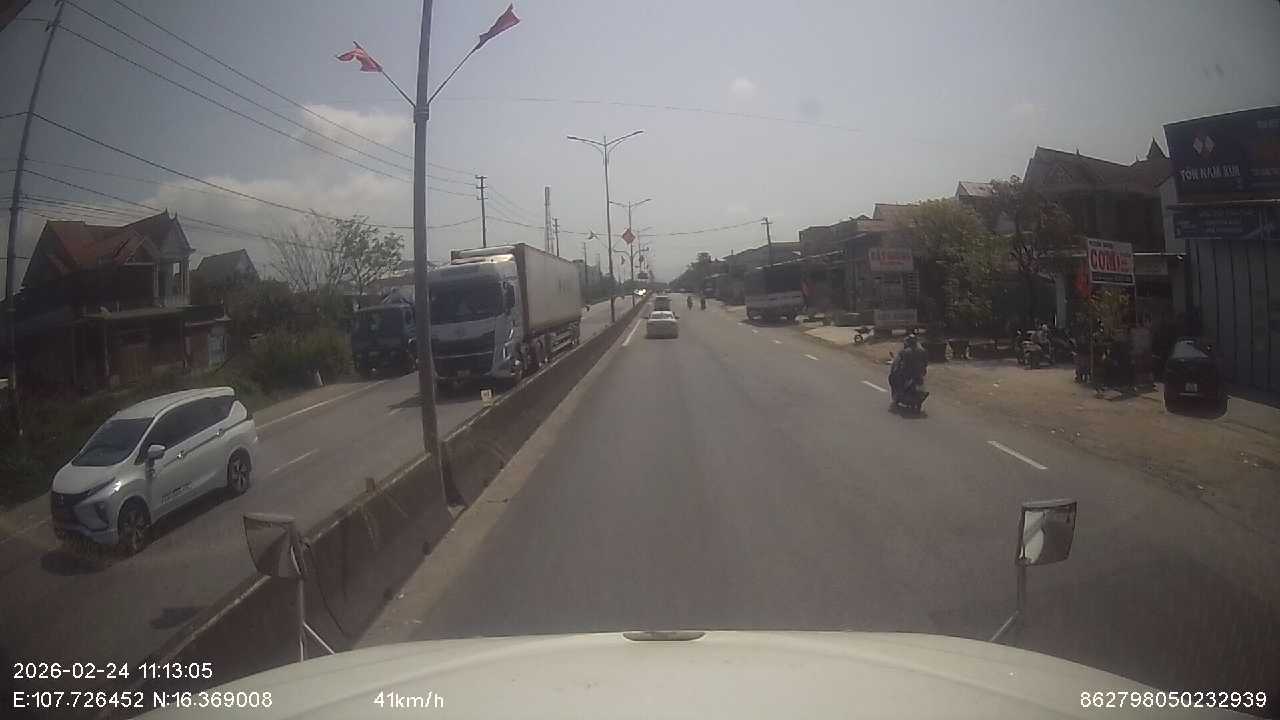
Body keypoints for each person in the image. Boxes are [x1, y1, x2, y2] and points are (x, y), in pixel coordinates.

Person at [889, 334, 928, 401]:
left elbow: (901, 364)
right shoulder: (923, 351)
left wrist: (898, 369)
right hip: (920, 373)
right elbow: (925, 363)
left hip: (908, 374)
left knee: (895, 378)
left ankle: (899, 393)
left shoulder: (905, 352)